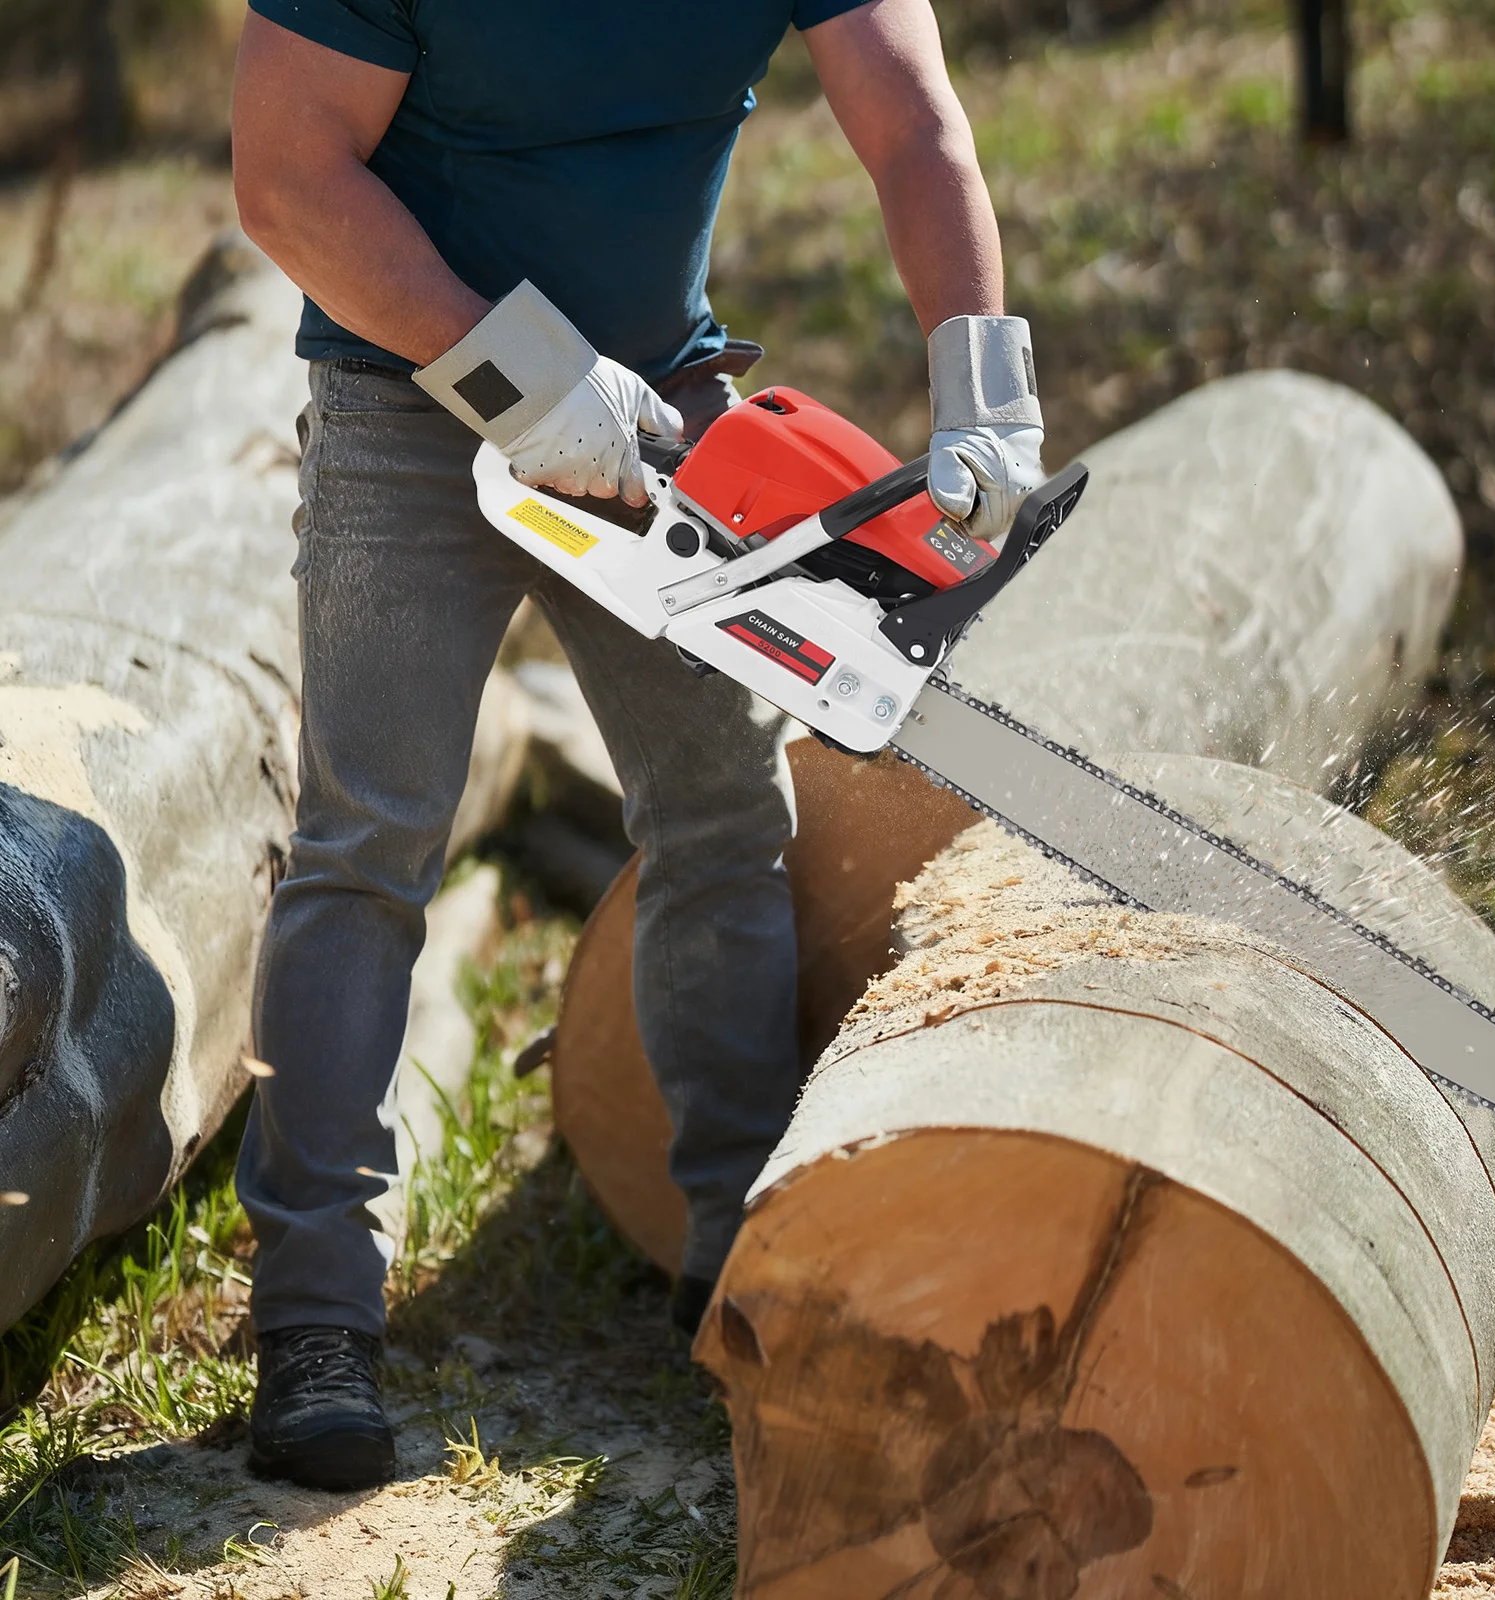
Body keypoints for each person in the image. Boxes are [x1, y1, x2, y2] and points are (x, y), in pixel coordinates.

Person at [229, 0, 1047, 1491]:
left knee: (726, 818)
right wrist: (515, 371)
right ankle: (315, 1321)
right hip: (405, 392)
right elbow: (288, 173)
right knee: (369, 846)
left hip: (665, 407)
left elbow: (911, 117)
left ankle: (743, 1253)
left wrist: (982, 386)